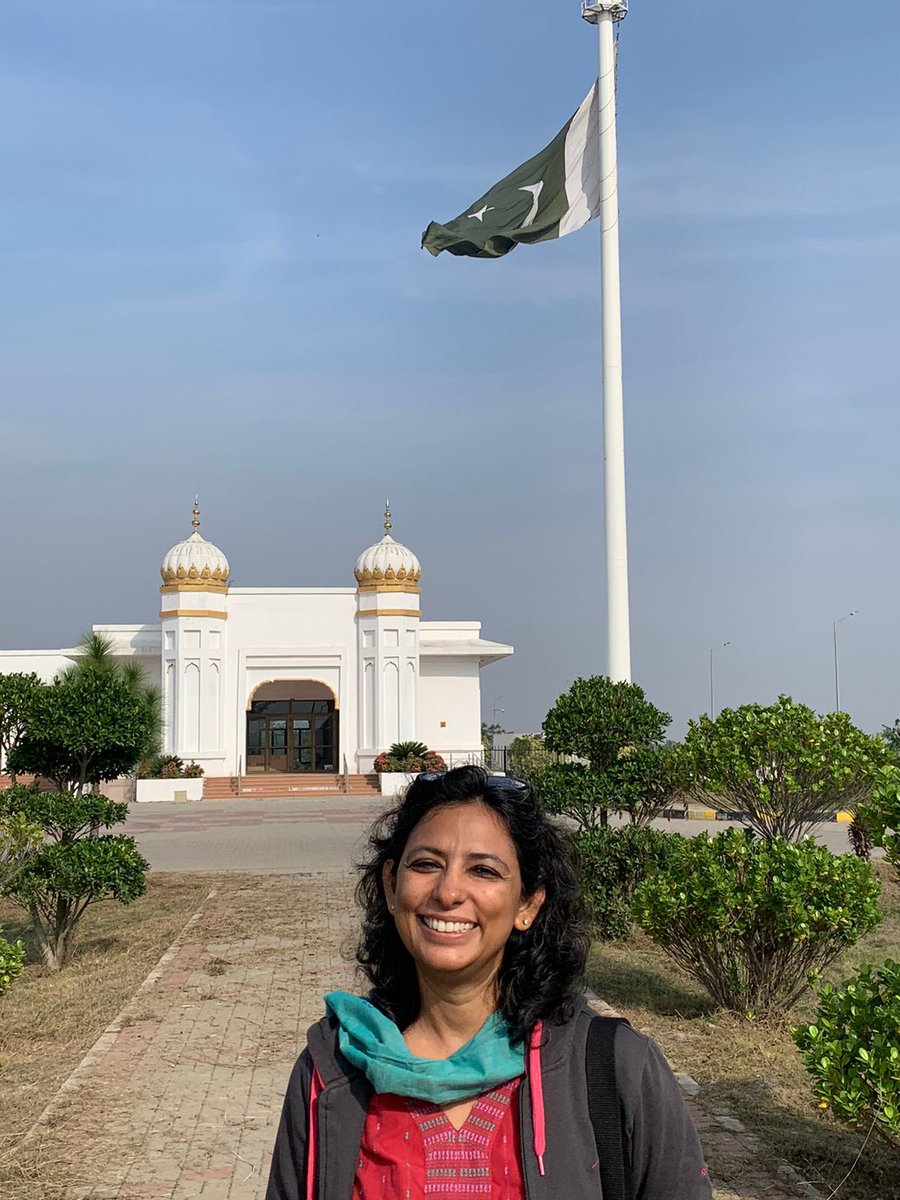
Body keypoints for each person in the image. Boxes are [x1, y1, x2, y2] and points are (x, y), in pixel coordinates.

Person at [267, 765, 712, 1200]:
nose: (448, 892)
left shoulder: (614, 1069)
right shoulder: (332, 1070)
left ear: (528, 904)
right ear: (390, 885)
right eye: (425, 863)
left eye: (483, 870)